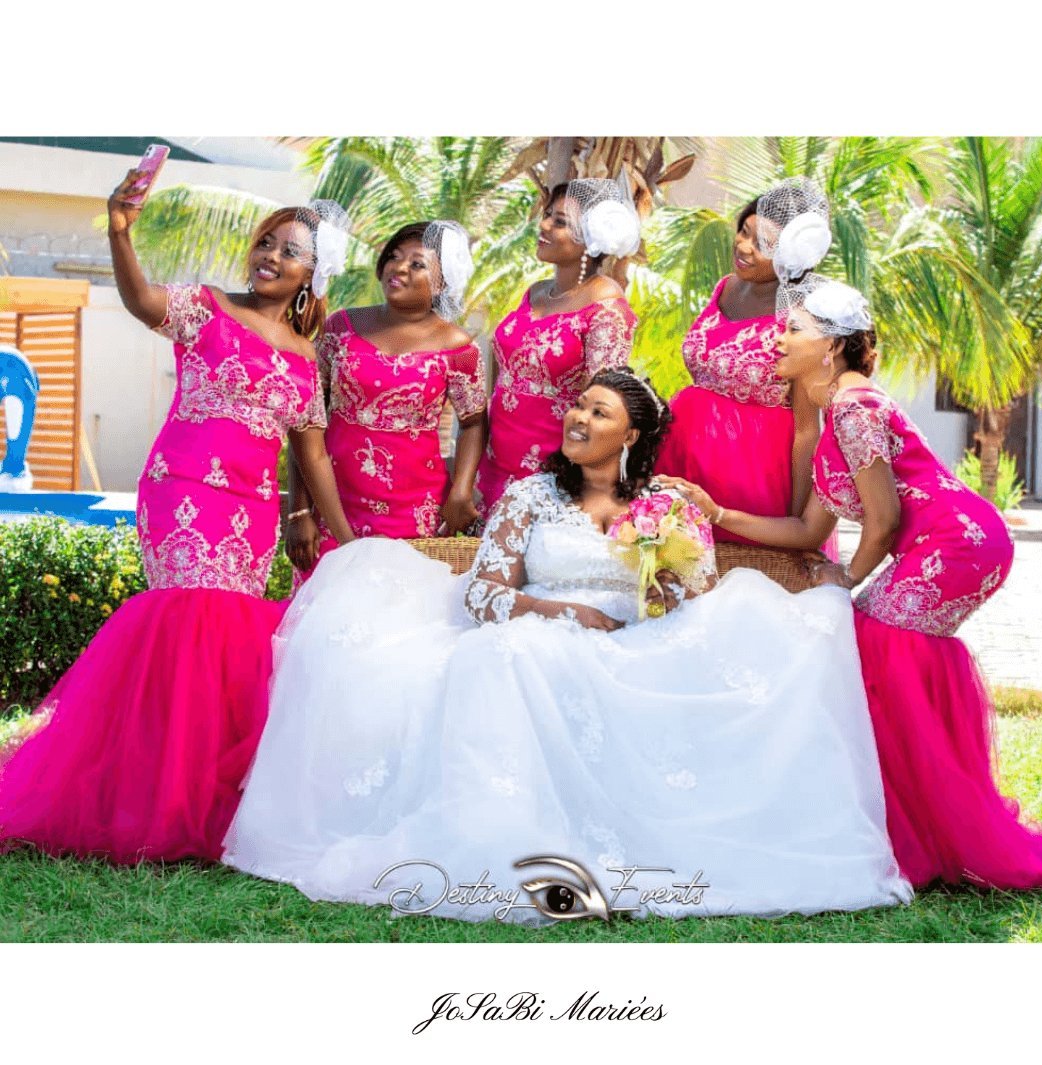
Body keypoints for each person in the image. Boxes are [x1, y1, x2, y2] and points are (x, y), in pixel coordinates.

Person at [223, 368, 911, 922]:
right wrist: (565, 613)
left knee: (754, 638)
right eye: (578, 406)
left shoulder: (666, 507)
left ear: (634, 434)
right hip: (538, 638)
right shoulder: (529, 496)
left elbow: (690, 595)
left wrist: (661, 586)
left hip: (639, 648)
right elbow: (483, 595)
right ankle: (517, 846)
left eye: (600, 411)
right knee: (509, 655)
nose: (578, 418)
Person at [662, 274, 1042, 889]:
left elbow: (881, 523)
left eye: (793, 329)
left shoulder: (853, 407)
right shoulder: (837, 409)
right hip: (945, 544)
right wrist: (717, 512)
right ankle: (903, 822)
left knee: (873, 648)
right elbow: (808, 530)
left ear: (830, 347)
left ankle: (929, 833)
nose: (777, 339)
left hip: (957, 544)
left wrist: (844, 581)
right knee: (864, 650)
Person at [0, 171, 355, 864]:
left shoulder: (307, 360)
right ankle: (146, 802)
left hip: (252, 511)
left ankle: (214, 806)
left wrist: (350, 541)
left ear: (313, 275)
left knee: (228, 644)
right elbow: (139, 301)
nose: (271, 257)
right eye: (267, 243)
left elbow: (312, 460)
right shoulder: (206, 307)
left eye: (291, 251)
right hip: (183, 492)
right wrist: (119, 228)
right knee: (184, 626)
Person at [286, 221, 486, 576]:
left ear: (442, 283)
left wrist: (461, 491)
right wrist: (300, 510)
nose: (399, 267)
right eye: (394, 257)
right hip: (333, 504)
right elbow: (305, 421)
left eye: (417, 263)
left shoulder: (459, 348)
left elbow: (472, 422)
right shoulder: (340, 328)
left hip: (415, 511)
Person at [654, 178, 835, 552]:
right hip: (680, 457)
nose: (744, 247)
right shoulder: (726, 286)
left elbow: (806, 430)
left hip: (752, 481)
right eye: (744, 231)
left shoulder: (802, 316)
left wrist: (797, 524)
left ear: (795, 251)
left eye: (763, 243)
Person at [475, 179, 640, 511]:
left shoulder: (606, 306)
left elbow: (603, 403)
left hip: (551, 468)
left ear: (590, 238)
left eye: (560, 221)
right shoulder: (536, 291)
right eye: (547, 214)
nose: (545, 225)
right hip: (496, 457)